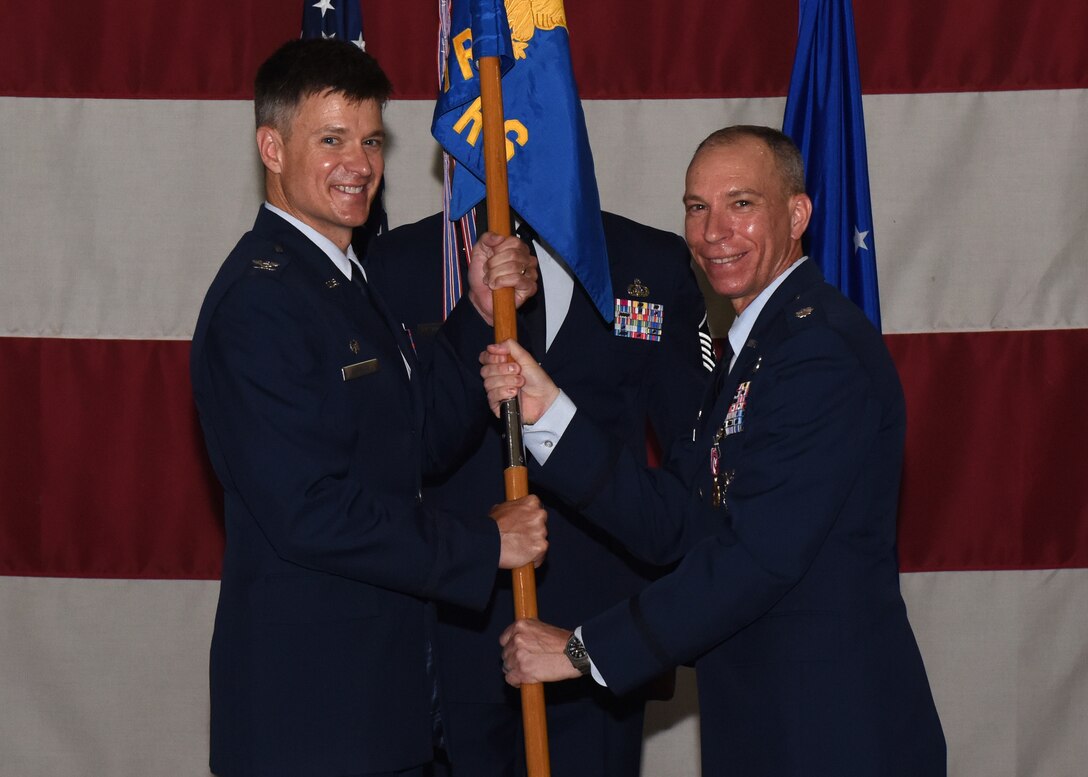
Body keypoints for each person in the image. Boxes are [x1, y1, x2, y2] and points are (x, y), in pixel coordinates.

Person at [484, 126, 947, 776]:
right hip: (768, 724)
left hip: (832, 734)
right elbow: (679, 515)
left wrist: (583, 652)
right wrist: (548, 412)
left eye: (741, 204)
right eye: (696, 207)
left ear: (797, 213)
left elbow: (755, 557)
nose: (712, 230)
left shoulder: (819, 355)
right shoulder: (757, 348)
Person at [189, 39, 548, 777]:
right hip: (310, 722)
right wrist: (483, 546)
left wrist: (478, 312)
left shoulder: (340, 278)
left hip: (381, 708)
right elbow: (312, 511)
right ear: (272, 146)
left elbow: (413, 440)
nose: (359, 162)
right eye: (330, 139)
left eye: (371, 140)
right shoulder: (261, 303)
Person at [366, 206, 713, 776]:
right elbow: (388, 450)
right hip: (455, 632)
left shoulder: (645, 257)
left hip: (596, 638)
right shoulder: (402, 260)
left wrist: (661, 617)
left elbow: (696, 456)